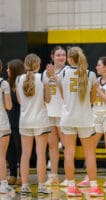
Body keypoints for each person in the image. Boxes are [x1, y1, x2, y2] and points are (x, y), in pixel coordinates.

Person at [56, 46, 103, 197]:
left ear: (69, 59)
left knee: (69, 153)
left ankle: (71, 187)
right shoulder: (91, 74)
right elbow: (92, 100)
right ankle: (94, 188)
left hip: (68, 118)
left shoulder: (63, 72)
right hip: (85, 118)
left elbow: (63, 97)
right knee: (90, 153)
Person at [77, 56, 106, 188]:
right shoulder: (96, 79)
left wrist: (98, 89)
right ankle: (89, 176)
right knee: (90, 147)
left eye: (99, 65)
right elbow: (91, 99)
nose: (96, 67)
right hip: (96, 114)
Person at [16, 54, 52, 195]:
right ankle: (42, 186)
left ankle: (25, 186)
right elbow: (48, 99)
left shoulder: (19, 79)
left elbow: (20, 101)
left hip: (24, 122)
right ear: (38, 65)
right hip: (40, 121)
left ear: (25, 65)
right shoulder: (43, 78)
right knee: (41, 154)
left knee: (25, 154)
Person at [43, 46, 67, 186]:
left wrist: (54, 76)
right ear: (52, 56)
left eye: (63, 55)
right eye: (58, 55)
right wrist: (49, 76)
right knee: (52, 146)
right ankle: (54, 176)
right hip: (49, 112)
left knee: (66, 146)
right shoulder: (46, 73)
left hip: (63, 113)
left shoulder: (67, 72)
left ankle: (70, 178)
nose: (61, 57)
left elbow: (65, 92)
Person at [6, 59, 25, 186]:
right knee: (10, 150)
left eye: (9, 68)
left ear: (14, 70)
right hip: (7, 121)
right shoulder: (6, 84)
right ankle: (12, 174)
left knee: (21, 150)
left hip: (20, 121)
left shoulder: (22, 83)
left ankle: (23, 176)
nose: (7, 70)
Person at [0, 59, 14, 193]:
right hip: (2, 123)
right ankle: (3, 185)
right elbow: (9, 106)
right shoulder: (3, 83)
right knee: (1, 156)